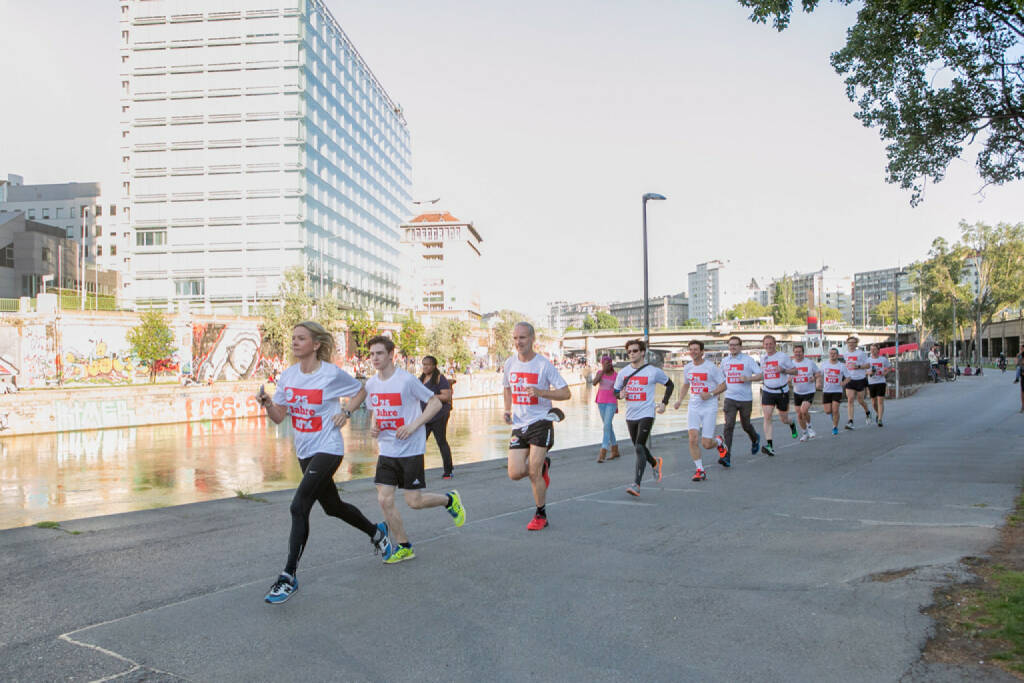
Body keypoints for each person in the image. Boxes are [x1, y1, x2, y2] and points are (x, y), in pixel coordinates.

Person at [256, 321, 391, 605]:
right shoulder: (288, 376)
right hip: (304, 450)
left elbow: (362, 390)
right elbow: (280, 416)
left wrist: (346, 412)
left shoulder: (330, 374)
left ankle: (288, 576)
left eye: (301, 338)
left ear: (315, 345)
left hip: (328, 447)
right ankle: (377, 533)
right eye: (292, 337)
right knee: (333, 507)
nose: (294, 342)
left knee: (298, 506)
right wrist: (268, 403)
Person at [346, 336, 466, 565]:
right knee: (384, 499)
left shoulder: (406, 381)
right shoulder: (371, 384)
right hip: (387, 449)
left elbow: (435, 404)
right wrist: (374, 426)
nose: (375, 358)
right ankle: (404, 546)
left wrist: (413, 426)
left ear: (392, 355)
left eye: (379, 353)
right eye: (371, 354)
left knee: (414, 501)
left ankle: (449, 500)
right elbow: (375, 411)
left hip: (410, 449)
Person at [502, 322, 571, 530]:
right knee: (514, 473)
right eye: (515, 338)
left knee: (533, 472)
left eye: (522, 338)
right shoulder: (509, 363)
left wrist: (542, 393)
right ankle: (543, 467)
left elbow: (566, 393)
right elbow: (506, 388)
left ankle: (541, 514)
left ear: (532, 339)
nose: (518, 342)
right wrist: (507, 409)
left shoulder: (543, 365)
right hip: (520, 424)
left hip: (541, 421)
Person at [614, 340, 674, 497]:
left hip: (647, 413)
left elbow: (670, 385)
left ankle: (637, 484)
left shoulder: (653, 371)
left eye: (635, 351)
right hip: (630, 415)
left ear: (642, 352)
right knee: (638, 447)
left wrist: (664, 403)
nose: (632, 354)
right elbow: (615, 391)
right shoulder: (623, 373)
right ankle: (655, 463)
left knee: (640, 446)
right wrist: (619, 395)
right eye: (629, 352)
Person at [672, 340, 727, 482]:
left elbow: (723, 385)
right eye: (691, 349)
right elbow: (685, 384)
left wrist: (711, 394)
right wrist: (679, 400)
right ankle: (700, 470)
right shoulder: (688, 368)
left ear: (702, 352)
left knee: (707, 444)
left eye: (696, 349)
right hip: (694, 406)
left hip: (709, 406)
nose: (693, 352)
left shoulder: (711, 367)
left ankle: (719, 442)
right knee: (692, 439)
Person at [718, 336, 762, 467]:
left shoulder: (748, 360)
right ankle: (727, 456)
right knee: (728, 426)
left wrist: (748, 378)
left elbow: (761, 374)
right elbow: (720, 379)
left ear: (740, 346)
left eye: (735, 345)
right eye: (731, 345)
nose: (733, 347)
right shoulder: (725, 361)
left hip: (745, 399)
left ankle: (755, 438)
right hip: (730, 398)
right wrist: (717, 395)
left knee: (745, 425)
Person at [758, 334, 799, 456]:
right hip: (767, 390)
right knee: (767, 416)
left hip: (781, 391)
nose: (768, 346)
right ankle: (770, 445)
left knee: (783, 418)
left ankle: (791, 424)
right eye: (766, 344)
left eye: (771, 344)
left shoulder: (782, 356)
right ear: (763, 345)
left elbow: (795, 371)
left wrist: (784, 370)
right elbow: (762, 373)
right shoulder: (763, 358)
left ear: (775, 344)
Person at [419, 355, 454, 479]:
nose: (425, 367)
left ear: (434, 366)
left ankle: (448, 470)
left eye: (428, 364)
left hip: (439, 415)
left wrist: (430, 395)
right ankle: (417, 471)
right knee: (418, 443)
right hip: (425, 416)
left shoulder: (440, 378)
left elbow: (446, 396)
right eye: (424, 364)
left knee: (441, 441)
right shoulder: (421, 379)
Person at [592, 355, 620, 463]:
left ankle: (603, 451)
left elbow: (618, 389)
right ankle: (615, 449)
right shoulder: (600, 373)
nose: (606, 365)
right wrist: (602, 371)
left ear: (611, 363)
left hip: (611, 402)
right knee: (608, 426)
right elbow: (594, 383)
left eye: (608, 363)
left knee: (606, 426)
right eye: (604, 363)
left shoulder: (615, 375)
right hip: (601, 402)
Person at [790, 344, 821, 441]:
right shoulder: (791, 364)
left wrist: (814, 378)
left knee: (804, 410)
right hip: (797, 392)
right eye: (796, 352)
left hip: (809, 391)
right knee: (799, 414)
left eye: (799, 352)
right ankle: (804, 433)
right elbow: (787, 376)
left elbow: (818, 373)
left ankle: (810, 428)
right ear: (793, 353)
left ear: (803, 353)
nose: (798, 354)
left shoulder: (809, 363)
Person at [842, 336, 872, 430]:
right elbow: (845, 365)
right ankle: (850, 421)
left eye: (853, 342)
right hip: (850, 379)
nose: (851, 344)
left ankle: (867, 412)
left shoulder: (861, 353)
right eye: (849, 342)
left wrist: (858, 366)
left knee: (860, 400)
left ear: (856, 344)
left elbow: (868, 365)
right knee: (850, 399)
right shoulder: (845, 354)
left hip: (860, 379)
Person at [820, 347, 848, 435]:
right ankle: (833, 416)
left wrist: (843, 382)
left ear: (838, 355)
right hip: (826, 390)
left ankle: (835, 427)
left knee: (835, 410)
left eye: (834, 353)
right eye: (831, 353)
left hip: (837, 390)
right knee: (828, 411)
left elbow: (849, 377)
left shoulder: (841, 366)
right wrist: (817, 381)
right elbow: (819, 375)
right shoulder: (824, 364)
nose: (832, 355)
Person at [866, 344, 893, 427]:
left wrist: (885, 372)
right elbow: (864, 371)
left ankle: (880, 419)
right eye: (871, 349)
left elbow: (889, 367)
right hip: (871, 383)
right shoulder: (868, 360)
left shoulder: (883, 359)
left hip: (881, 382)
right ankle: (878, 413)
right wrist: (869, 372)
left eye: (874, 349)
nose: (872, 351)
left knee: (880, 401)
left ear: (878, 350)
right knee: (874, 402)